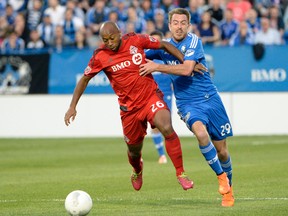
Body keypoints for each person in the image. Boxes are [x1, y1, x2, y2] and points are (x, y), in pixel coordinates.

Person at [64, 21, 195, 192]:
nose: (109, 42)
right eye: (105, 40)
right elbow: (85, 79)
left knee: (166, 126)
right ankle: (137, 169)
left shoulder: (135, 40)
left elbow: (163, 44)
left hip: (150, 97)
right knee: (134, 151)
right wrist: (72, 106)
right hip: (129, 110)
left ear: (119, 33)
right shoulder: (100, 56)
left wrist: (186, 62)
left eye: (112, 38)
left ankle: (181, 173)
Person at [139, 8, 234, 207]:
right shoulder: (163, 46)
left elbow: (187, 69)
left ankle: (229, 189)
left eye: (183, 22)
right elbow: (139, 57)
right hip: (187, 103)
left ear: (188, 25)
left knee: (222, 151)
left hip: (210, 99)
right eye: (176, 22)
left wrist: (157, 66)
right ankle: (221, 177)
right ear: (169, 25)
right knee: (200, 133)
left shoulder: (193, 41)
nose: (179, 26)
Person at [148, 30, 172, 164]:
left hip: (167, 93)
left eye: (157, 40)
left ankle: (170, 153)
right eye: (152, 40)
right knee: (155, 125)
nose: (154, 43)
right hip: (152, 94)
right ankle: (162, 155)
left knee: (167, 125)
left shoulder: (167, 55)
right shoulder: (144, 56)